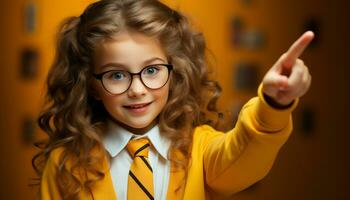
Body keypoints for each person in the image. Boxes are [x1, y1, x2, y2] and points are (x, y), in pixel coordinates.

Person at [32, 0, 314, 199]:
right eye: (116, 75)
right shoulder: (65, 164)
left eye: (152, 70)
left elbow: (244, 153)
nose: (137, 89)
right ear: (92, 85)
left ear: (174, 72)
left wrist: (273, 104)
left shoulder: (200, 150)